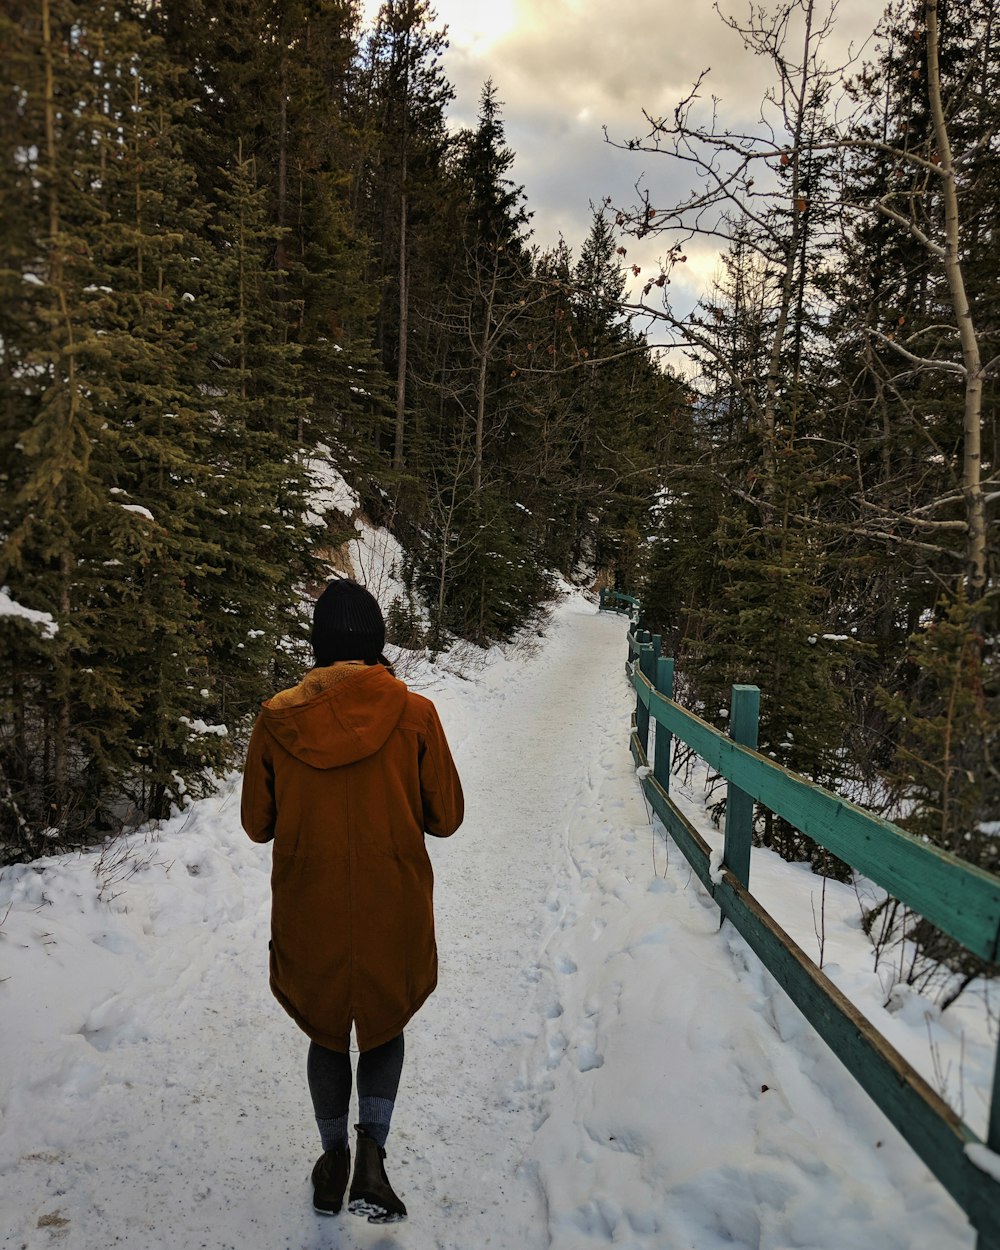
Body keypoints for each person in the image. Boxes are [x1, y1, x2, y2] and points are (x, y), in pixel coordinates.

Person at [241, 578, 464, 1222]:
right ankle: (373, 1154)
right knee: (384, 1022)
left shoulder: (278, 717)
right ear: (376, 644)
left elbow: (258, 824)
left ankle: (332, 1155)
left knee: (326, 1028)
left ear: (318, 645)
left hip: (309, 904)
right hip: (392, 901)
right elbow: (445, 817)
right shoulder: (416, 714)